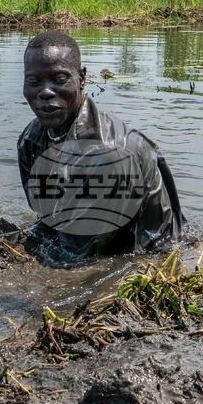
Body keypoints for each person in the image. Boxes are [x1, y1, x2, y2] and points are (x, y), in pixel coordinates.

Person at [18, 30, 183, 261]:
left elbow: (77, 256)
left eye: (59, 79)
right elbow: (45, 219)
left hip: (145, 256)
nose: (45, 92)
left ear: (82, 78)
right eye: (33, 82)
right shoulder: (31, 139)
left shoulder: (109, 157)